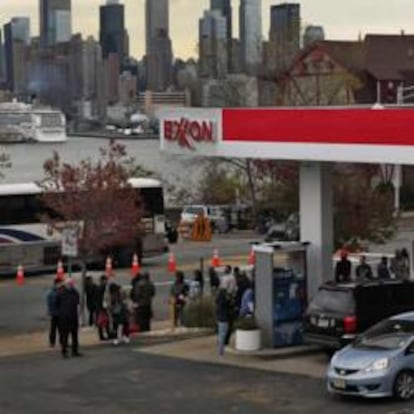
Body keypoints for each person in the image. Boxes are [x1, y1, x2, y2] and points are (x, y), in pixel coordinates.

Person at [55, 278, 81, 358]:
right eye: (70, 284)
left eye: (72, 284)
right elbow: (57, 303)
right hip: (64, 317)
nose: (71, 285)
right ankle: (64, 351)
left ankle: (74, 350)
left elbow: (77, 301)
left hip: (73, 316)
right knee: (65, 335)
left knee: (74, 335)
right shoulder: (60, 292)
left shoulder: (75, 292)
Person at [216, 279, 232, 356]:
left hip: (219, 319)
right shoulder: (225, 302)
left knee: (220, 334)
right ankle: (221, 351)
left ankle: (220, 350)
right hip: (225, 319)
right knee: (223, 334)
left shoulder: (218, 302)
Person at [46, 278, 62, 348]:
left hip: (57, 313)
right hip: (55, 313)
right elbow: (52, 303)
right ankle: (52, 342)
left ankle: (60, 341)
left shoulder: (53, 292)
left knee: (60, 328)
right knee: (54, 328)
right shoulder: (53, 292)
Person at [96, 275, 111, 341]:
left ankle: (105, 334)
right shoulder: (101, 288)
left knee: (103, 321)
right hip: (101, 307)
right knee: (103, 321)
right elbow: (100, 299)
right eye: (106, 280)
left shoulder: (102, 288)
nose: (107, 282)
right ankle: (103, 334)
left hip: (101, 307)